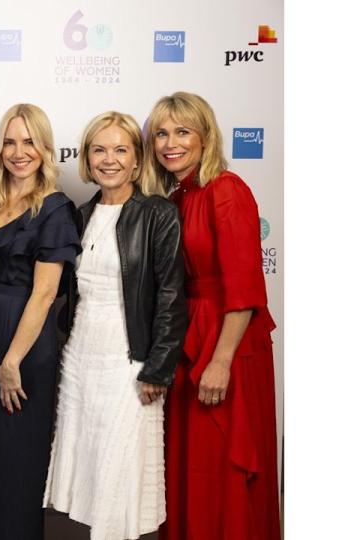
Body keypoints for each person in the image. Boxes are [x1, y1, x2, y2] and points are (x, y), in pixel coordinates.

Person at [142, 91, 280, 540]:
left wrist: (220, 361)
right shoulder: (180, 196)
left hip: (227, 344)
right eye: (161, 133)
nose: (169, 143)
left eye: (182, 131)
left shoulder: (226, 190)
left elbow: (244, 289)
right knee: (193, 468)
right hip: (190, 339)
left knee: (223, 467)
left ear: (205, 136)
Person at [43, 111, 187, 540]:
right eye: (99, 150)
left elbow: (171, 296)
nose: (110, 159)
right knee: (90, 471)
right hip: (81, 358)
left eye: (121, 150)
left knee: (121, 472)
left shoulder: (157, 214)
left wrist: (158, 367)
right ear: (87, 158)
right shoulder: (80, 214)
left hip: (130, 361)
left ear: (138, 160)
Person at [0, 103, 81, 539]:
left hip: (21, 339)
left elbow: (45, 294)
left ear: (45, 148)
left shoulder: (56, 209)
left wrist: (12, 362)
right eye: (10, 141)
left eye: (29, 141)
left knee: (13, 459)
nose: (18, 151)